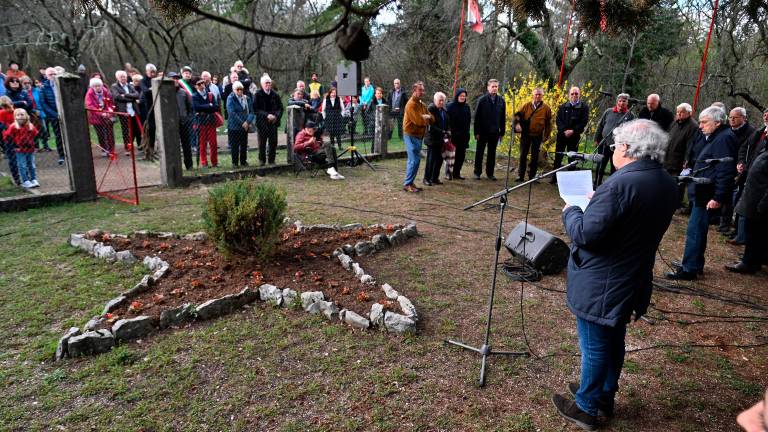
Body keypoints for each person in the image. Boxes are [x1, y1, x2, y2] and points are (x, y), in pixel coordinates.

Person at [553, 119, 678, 431]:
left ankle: (585, 407)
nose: (612, 151)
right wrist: (602, 204)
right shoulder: (665, 181)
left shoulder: (622, 183)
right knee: (613, 338)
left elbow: (584, 234)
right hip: (632, 276)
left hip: (604, 279)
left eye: (615, 146)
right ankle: (603, 395)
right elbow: (629, 221)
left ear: (627, 148)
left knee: (595, 345)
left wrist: (571, 209)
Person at [667, 106, 738, 280]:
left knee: (695, 230)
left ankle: (689, 269)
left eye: (705, 122)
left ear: (718, 122)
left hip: (708, 192)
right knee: (696, 229)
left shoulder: (724, 138)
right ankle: (694, 263)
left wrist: (718, 197)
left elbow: (725, 170)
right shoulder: (715, 136)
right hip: (701, 189)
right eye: (700, 122)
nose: (700, 126)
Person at [726, 148, 768, 274]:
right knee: (753, 232)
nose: (766, 131)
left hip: (760, 203)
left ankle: (749, 263)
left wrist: (764, 203)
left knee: (756, 233)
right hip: (754, 200)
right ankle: (752, 259)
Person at [731, 108, 768, 245]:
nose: (766, 117)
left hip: (760, 183)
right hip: (747, 175)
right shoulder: (759, 132)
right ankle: (739, 234)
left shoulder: (753, 131)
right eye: (764, 114)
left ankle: (744, 239)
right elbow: (744, 148)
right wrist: (741, 162)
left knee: (751, 212)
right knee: (740, 205)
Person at [720, 107, 758, 233]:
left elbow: (749, 151)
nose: (732, 120)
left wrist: (741, 164)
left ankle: (735, 228)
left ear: (743, 118)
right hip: (726, 165)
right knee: (725, 195)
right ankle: (723, 223)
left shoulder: (751, 132)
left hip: (741, 170)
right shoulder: (726, 129)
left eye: (735, 117)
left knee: (735, 198)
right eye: (730, 117)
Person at [594, 93, 635, 187]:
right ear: (617, 102)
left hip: (618, 147)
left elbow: (632, 132)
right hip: (604, 144)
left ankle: (611, 187)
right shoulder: (608, 111)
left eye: (624, 101)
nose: (621, 103)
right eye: (620, 101)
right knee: (600, 166)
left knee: (615, 168)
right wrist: (596, 139)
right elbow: (600, 125)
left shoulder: (630, 115)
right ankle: (597, 184)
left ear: (627, 102)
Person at [663, 103, 698, 208]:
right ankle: (665, 199)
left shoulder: (693, 126)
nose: (678, 114)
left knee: (677, 183)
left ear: (688, 113)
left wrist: (687, 160)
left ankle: (675, 203)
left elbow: (690, 145)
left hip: (680, 160)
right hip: (668, 157)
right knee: (666, 181)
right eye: (677, 112)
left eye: (681, 112)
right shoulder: (675, 123)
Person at [552, 86, 590, 183]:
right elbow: (558, 120)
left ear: (579, 94)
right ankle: (554, 178)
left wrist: (573, 131)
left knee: (572, 157)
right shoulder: (563, 106)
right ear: (569, 95)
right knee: (558, 157)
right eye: (572, 93)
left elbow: (583, 122)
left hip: (574, 136)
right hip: (562, 136)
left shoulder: (584, 107)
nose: (574, 95)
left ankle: (570, 180)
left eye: (576, 93)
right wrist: (564, 130)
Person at [514, 87, 553, 181]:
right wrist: (517, 125)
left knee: (535, 157)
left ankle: (532, 177)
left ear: (542, 96)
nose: (537, 96)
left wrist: (546, 136)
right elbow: (517, 116)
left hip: (537, 135)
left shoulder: (546, 108)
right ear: (533, 95)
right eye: (536, 94)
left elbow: (549, 124)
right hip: (526, 134)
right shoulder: (526, 105)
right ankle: (520, 175)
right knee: (523, 155)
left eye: (539, 94)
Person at [402, 81, 434, 193]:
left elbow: (433, 119)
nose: (422, 92)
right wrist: (425, 117)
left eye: (423, 90)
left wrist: (426, 116)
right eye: (420, 90)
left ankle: (410, 182)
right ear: (414, 90)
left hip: (419, 136)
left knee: (417, 160)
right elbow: (418, 121)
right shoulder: (410, 104)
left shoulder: (422, 104)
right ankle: (407, 184)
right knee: (413, 160)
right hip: (410, 135)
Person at [474, 79, 506, 180]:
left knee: (492, 154)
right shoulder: (482, 100)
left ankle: (490, 173)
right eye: (493, 86)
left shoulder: (501, 101)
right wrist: (476, 132)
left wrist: (502, 132)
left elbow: (502, 118)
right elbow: (477, 117)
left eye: (496, 86)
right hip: (482, 131)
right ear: (488, 87)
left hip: (495, 132)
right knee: (480, 152)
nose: (494, 88)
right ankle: (477, 172)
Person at [3, 108, 40, 189]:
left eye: (22, 115)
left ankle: (34, 179)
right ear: (15, 117)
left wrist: (36, 146)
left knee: (31, 165)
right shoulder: (13, 126)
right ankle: (25, 180)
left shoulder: (30, 126)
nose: (20, 117)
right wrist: (14, 146)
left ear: (26, 116)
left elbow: (36, 136)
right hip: (19, 150)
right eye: (18, 115)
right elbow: (8, 137)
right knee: (22, 165)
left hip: (30, 149)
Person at [252, 73, 283, 165]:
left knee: (273, 142)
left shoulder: (275, 95)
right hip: (262, 122)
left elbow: (280, 108)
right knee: (262, 143)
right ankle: (262, 160)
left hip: (273, 122)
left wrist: (276, 116)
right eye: (266, 83)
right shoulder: (257, 94)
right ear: (262, 84)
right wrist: (266, 115)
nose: (268, 85)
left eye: (269, 83)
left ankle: (271, 160)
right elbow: (255, 109)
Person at [110, 70, 141, 156]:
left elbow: (137, 94)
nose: (123, 78)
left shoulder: (130, 85)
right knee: (126, 130)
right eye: (121, 77)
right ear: (117, 78)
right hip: (124, 112)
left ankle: (139, 146)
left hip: (133, 111)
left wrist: (126, 95)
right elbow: (117, 97)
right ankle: (127, 148)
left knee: (137, 130)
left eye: (124, 76)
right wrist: (132, 98)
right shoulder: (114, 86)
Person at [168, 72, 194, 170]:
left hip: (184, 123)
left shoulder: (183, 92)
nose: (175, 80)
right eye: (173, 79)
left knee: (187, 145)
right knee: (173, 146)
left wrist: (188, 118)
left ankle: (189, 165)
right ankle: (175, 167)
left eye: (176, 78)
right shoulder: (165, 94)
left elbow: (190, 108)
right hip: (171, 125)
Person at [423, 92, 450, 186]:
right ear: (435, 101)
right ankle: (427, 178)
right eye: (440, 100)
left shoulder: (444, 110)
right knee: (431, 159)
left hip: (441, 139)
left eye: (443, 100)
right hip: (432, 139)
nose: (442, 102)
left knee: (439, 159)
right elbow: (431, 125)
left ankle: (434, 178)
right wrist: (442, 131)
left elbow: (447, 122)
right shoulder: (431, 109)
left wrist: (448, 131)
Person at [192, 78, 220, 168]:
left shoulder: (210, 95)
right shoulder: (195, 96)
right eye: (199, 84)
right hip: (201, 123)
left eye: (202, 83)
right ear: (196, 86)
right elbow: (197, 107)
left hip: (211, 121)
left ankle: (214, 162)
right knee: (202, 144)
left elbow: (216, 107)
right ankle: (204, 162)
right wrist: (209, 105)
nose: (201, 85)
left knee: (213, 144)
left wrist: (204, 108)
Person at [85, 77, 116, 156]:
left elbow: (110, 103)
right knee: (101, 134)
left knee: (110, 133)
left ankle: (111, 149)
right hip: (96, 118)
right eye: (95, 86)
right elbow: (90, 106)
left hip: (107, 116)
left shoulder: (106, 92)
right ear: (92, 87)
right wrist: (101, 113)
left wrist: (109, 112)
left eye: (99, 85)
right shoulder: (89, 94)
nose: (97, 87)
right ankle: (104, 149)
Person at [226, 81, 254, 167]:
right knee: (234, 146)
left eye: (241, 89)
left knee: (244, 145)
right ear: (233, 90)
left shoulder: (247, 98)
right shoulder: (230, 98)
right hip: (234, 126)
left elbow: (252, 112)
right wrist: (242, 123)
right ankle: (235, 163)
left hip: (244, 126)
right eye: (237, 89)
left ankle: (243, 161)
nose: (239, 91)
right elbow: (232, 113)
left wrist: (247, 122)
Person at [40, 68, 65, 164]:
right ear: (46, 76)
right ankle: (62, 155)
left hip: (65, 114)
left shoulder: (62, 85)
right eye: (51, 74)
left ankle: (71, 153)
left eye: (54, 73)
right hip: (54, 115)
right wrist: (55, 114)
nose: (53, 76)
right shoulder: (43, 87)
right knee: (58, 135)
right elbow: (43, 103)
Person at [446, 88, 471, 179]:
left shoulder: (467, 107)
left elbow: (468, 121)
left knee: (461, 156)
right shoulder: (450, 106)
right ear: (457, 96)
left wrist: (467, 133)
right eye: (461, 96)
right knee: (451, 155)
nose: (462, 97)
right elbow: (447, 121)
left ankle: (457, 173)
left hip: (463, 136)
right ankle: (449, 173)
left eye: (464, 96)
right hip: (453, 135)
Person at [138, 63, 158, 160]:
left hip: (156, 108)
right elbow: (146, 92)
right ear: (147, 72)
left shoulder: (156, 79)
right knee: (149, 129)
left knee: (155, 130)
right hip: (147, 109)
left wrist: (151, 89)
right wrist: (153, 89)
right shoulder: (143, 81)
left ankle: (153, 150)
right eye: (151, 72)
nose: (153, 74)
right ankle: (148, 151)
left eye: (154, 72)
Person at [0, 96, 21, 185]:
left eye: (9, 106)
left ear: (12, 104)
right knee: (12, 159)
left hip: (20, 137)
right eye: (5, 107)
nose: (8, 109)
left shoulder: (18, 111)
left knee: (23, 158)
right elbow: (1, 126)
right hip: (9, 139)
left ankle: (26, 176)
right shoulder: (1, 113)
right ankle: (16, 179)